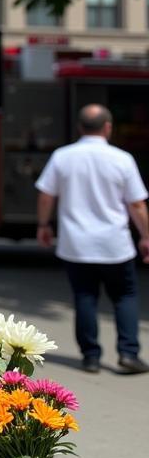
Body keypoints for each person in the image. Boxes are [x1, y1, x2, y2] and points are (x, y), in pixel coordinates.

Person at [35, 104, 149, 374]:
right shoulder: (122, 159)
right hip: (115, 245)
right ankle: (128, 353)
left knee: (85, 296)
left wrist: (43, 224)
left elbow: (46, 195)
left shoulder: (62, 157)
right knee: (125, 296)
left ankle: (91, 357)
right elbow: (137, 204)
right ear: (108, 127)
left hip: (76, 244)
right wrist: (145, 235)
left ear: (80, 127)